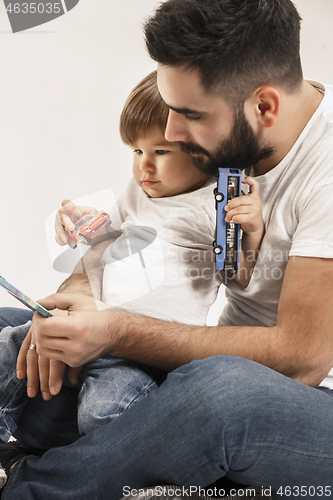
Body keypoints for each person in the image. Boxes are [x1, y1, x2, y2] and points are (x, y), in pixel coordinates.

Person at [1, 0, 333, 498]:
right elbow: (130, 232)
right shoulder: (222, 146)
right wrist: (83, 298)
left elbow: (300, 360)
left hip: (294, 405)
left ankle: (27, 486)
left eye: (189, 115)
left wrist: (115, 332)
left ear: (264, 106)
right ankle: (102, 462)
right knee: (20, 327)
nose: (172, 134)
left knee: (220, 393)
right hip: (200, 373)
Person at [0, 69, 264, 488]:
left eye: (160, 151)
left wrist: (251, 232)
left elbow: (239, 276)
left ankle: (99, 471)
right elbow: (106, 234)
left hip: (146, 354)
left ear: (204, 152)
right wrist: (76, 222)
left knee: (104, 411)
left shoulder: (217, 203)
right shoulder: (137, 192)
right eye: (137, 151)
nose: (145, 166)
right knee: (8, 346)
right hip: (91, 329)